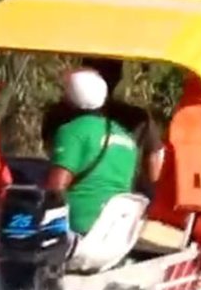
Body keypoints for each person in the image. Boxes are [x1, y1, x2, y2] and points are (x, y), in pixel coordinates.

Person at [41, 57, 163, 196]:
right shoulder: (132, 124)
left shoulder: (66, 125)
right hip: (125, 204)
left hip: (80, 203)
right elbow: (155, 162)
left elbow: (57, 185)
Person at [45, 68, 139, 235]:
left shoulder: (72, 131)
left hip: (78, 228)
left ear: (70, 98)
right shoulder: (127, 138)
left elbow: (56, 188)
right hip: (117, 232)